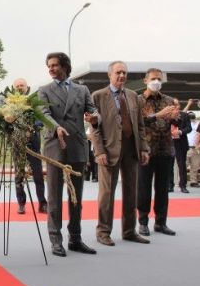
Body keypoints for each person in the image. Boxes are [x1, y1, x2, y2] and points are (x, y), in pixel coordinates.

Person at [38, 52, 98, 257]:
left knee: (76, 197)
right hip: (55, 146)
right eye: (49, 66)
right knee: (54, 196)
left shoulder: (82, 90)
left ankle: (76, 238)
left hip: (77, 146)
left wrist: (94, 117)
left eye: (54, 65)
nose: (51, 69)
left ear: (65, 66)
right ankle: (56, 240)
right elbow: (44, 114)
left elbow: (93, 111)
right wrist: (57, 128)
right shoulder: (44, 91)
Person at [90, 61, 150, 246]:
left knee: (132, 192)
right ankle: (103, 232)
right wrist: (99, 150)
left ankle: (129, 231)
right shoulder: (98, 96)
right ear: (109, 75)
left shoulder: (133, 96)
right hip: (108, 151)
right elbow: (94, 128)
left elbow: (140, 125)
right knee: (107, 194)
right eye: (118, 72)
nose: (122, 76)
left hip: (132, 150)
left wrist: (144, 148)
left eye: (124, 72)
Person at [137, 68, 179, 236]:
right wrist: (158, 115)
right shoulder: (138, 100)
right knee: (144, 189)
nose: (157, 82)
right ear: (145, 80)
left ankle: (161, 222)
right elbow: (137, 123)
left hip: (165, 150)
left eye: (159, 79)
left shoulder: (169, 100)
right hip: (145, 151)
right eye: (153, 78)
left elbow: (178, 122)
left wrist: (175, 117)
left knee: (163, 189)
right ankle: (143, 222)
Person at [11, 78, 47, 215]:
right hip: (17, 145)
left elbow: (41, 121)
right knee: (19, 176)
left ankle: (42, 203)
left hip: (33, 145)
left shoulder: (34, 102)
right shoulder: (10, 104)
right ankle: (21, 204)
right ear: (14, 89)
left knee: (38, 175)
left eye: (22, 85)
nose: (20, 87)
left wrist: (32, 129)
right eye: (18, 86)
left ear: (27, 87)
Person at [169, 98, 192, 193]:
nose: (175, 106)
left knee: (182, 165)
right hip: (169, 143)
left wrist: (180, 131)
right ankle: (170, 185)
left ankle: (183, 186)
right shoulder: (167, 116)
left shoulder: (185, 115)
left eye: (176, 104)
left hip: (181, 143)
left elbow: (189, 128)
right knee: (169, 166)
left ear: (179, 105)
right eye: (172, 105)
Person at [186, 105, 200, 188]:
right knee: (183, 164)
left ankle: (193, 181)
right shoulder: (184, 123)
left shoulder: (198, 123)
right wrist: (189, 104)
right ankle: (181, 181)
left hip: (194, 147)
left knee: (195, 165)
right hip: (186, 147)